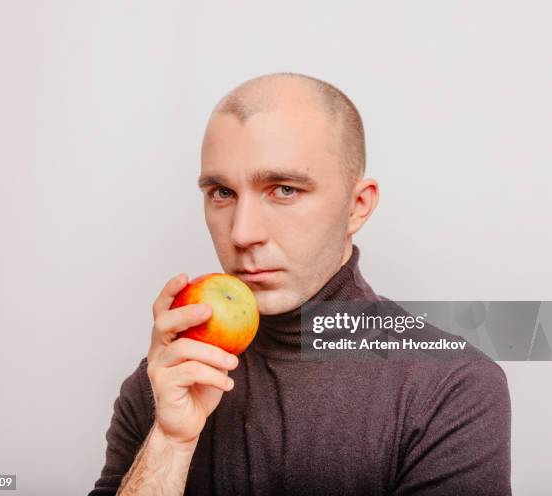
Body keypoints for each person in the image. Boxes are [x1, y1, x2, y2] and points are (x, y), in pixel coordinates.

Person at [88, 73, 511, 495]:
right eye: (221, 193)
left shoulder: (452, 386)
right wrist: (169, 442)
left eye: (284, 189)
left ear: (357, 206)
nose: (242, 233)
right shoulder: (169, 379)